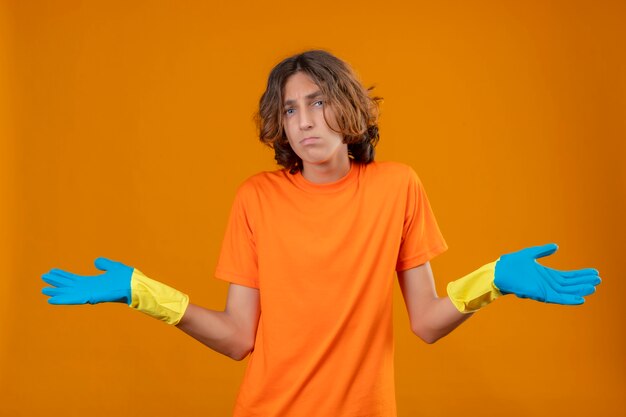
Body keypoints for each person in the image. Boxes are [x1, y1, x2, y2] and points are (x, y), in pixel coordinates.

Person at [41, 49, 601, 417]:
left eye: (317, 102)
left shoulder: (396, 187)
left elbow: (427, 322)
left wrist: (494, 279)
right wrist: (144, 294)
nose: (304, 121)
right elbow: (238, 338)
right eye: (289, 110)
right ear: (278, 123)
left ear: (348, 107)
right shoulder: (256, 197)